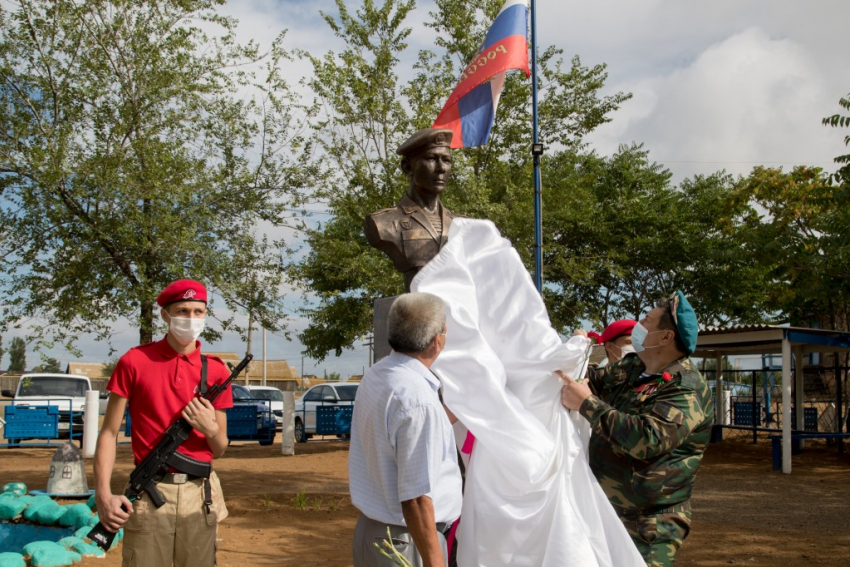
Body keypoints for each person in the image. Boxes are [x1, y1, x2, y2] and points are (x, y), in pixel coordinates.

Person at [559, 291, 714, 567]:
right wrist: (565, 360)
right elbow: (589, 379)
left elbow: (647, 438)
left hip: (648, 524)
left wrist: (587, 404)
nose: (639, 326)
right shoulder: (634, 366)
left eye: (646, 320)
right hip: (605, 510)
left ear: (666, 337)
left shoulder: (685, 388)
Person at [94, 279, 233, 567]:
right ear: (165, 315)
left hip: (199, 497)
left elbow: (219, 448)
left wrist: (210, 429)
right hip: (148, 496)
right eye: (182, 311)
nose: (191, 318)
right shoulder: (134, 361)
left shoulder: (217, 370)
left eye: (198, 311)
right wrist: (103, 495)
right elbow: (108, 434)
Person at [349, 292, 462, 567]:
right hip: (407, 542)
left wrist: (458, 412)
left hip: (372, 533)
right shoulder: (418, 400)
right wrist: (436, 562)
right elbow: (415, 499)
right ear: (437, 342)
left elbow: (400, 437)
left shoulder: (378, 374)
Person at [364, 128, 458, 291]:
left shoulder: (460, 225)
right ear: (407, 167)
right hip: (414, 308)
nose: (441, 168)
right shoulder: (383, 222)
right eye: (431, 158)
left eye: (446, 160)